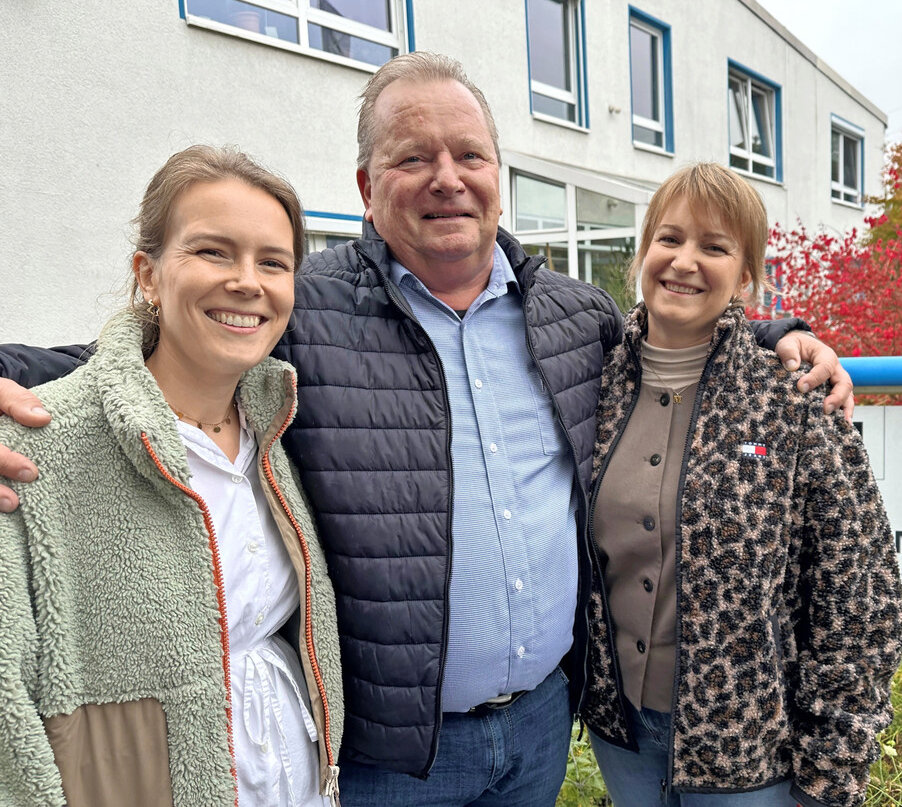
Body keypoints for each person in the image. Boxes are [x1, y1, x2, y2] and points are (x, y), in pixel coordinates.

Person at [0, 54, 854, 806]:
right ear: (368, 189)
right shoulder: (304, 310)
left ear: (498, 176)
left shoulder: (575, 317)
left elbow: (676, 336)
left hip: (540, 732)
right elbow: (146, 355)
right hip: (391, 758)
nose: (448, 177)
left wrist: (783, 335)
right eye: (413, 158)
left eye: (469, 155)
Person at [0, 146, 343, 807]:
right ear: (148, 275)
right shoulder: (37, 448)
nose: (247, 281)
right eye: (213, 252)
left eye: (273, 262)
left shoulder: (274, 432)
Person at [579, 163, 902, 807]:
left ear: (747, 276)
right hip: (621, 734)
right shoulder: (595, 383)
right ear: (644, 251)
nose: (684, 261)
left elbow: (858, 595)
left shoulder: (793, 399)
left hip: (749, 751)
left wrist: (831, 772)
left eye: (715, 246)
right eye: (669, 238)